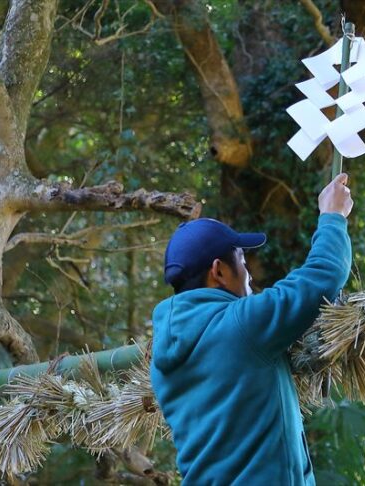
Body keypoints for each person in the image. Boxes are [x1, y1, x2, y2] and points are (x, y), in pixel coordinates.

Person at [150, 173, 353, 485]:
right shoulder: (241, 325)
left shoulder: (162, 360)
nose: (249, 276)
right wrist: (333, 216)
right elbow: (323, 277)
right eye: (242, 261)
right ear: (218, 271)